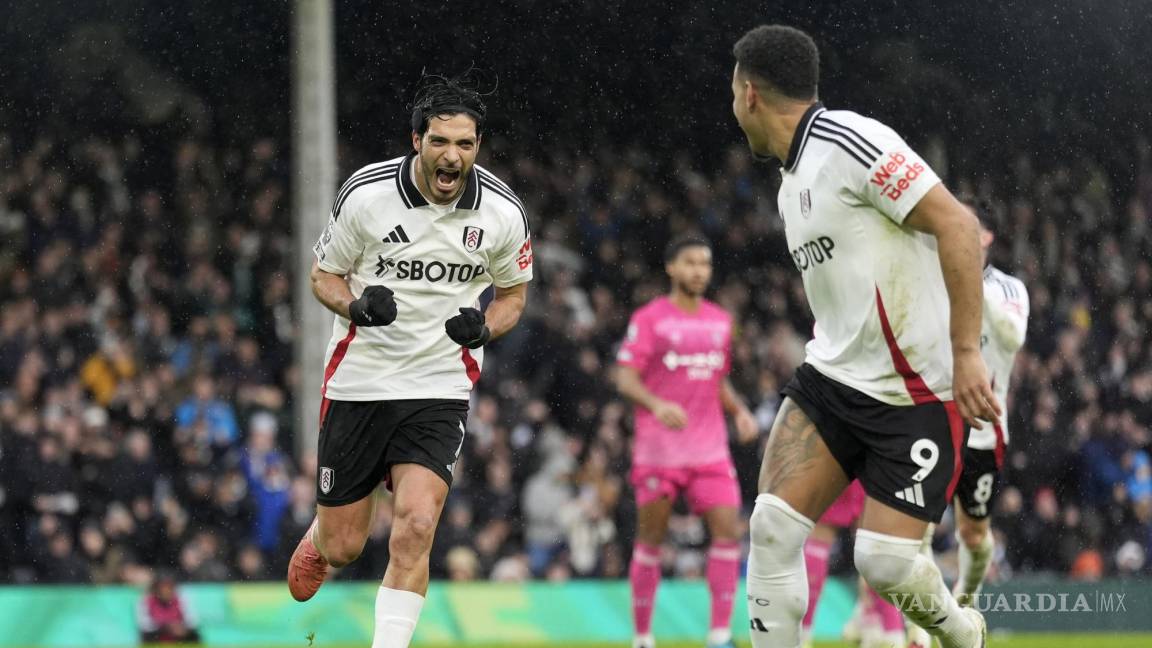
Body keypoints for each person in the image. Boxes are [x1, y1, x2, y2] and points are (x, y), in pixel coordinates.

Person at [729, 25, 1000, 648]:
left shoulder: (850, 140)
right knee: (770, 527)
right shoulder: (790, 181)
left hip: (918, 393)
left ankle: (961, 634)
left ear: (748, 94)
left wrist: (965, 353)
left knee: (885, 564)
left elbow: (958, 225)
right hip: (833, 380)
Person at [288, 71, 533, 648]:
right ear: (416, 139)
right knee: (348, 545)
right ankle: (323, 536)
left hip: (439, 384)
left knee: (418, 525)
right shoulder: (367, 196)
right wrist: (356, 306)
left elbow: (514, 296)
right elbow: (321, 276)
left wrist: (483, 328)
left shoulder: (502, 213)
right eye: (441, 141)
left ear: (477, 147)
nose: (453, 157)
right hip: (360, 380)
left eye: (466, 145)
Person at [614, 235, 759, 648]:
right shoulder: (650, 319)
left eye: (705, 264)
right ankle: (642, 638)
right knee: (651, 541)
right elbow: (624, 377)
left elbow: (717, 379)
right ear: (671, 268)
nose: (699, 271)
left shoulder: (720, 320)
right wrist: (656, 403)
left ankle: (718, 635)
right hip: (660, 451)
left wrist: (740, 411)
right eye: (691, 263)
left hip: (710, 450)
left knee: (728, 532)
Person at [907, 200, 1029, 648]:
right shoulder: (928, 284)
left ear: (986, 238)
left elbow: (1014, 337)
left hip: (983, 431)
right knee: (912, 528)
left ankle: (968, 597)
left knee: (973, 533)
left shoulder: (1007, 288)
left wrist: (970, 285)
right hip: (931, 425)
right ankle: (918, 628)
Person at [800, 481, 906, 648]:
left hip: (838, 464)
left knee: (820, 538)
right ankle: (891, 633)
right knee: (875, 545)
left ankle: (801, 637)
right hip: (876, 465)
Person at [137, 572, 201, 644]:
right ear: (156, 589)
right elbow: (144, 624)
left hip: (179, 634)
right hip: (157, 635)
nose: (166, 591)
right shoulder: (146, 600)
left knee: (194, 634)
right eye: (163, 588)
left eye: (169, 588)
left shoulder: (181, 599)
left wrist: (179, 626)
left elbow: (193, 621)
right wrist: (165, 627)